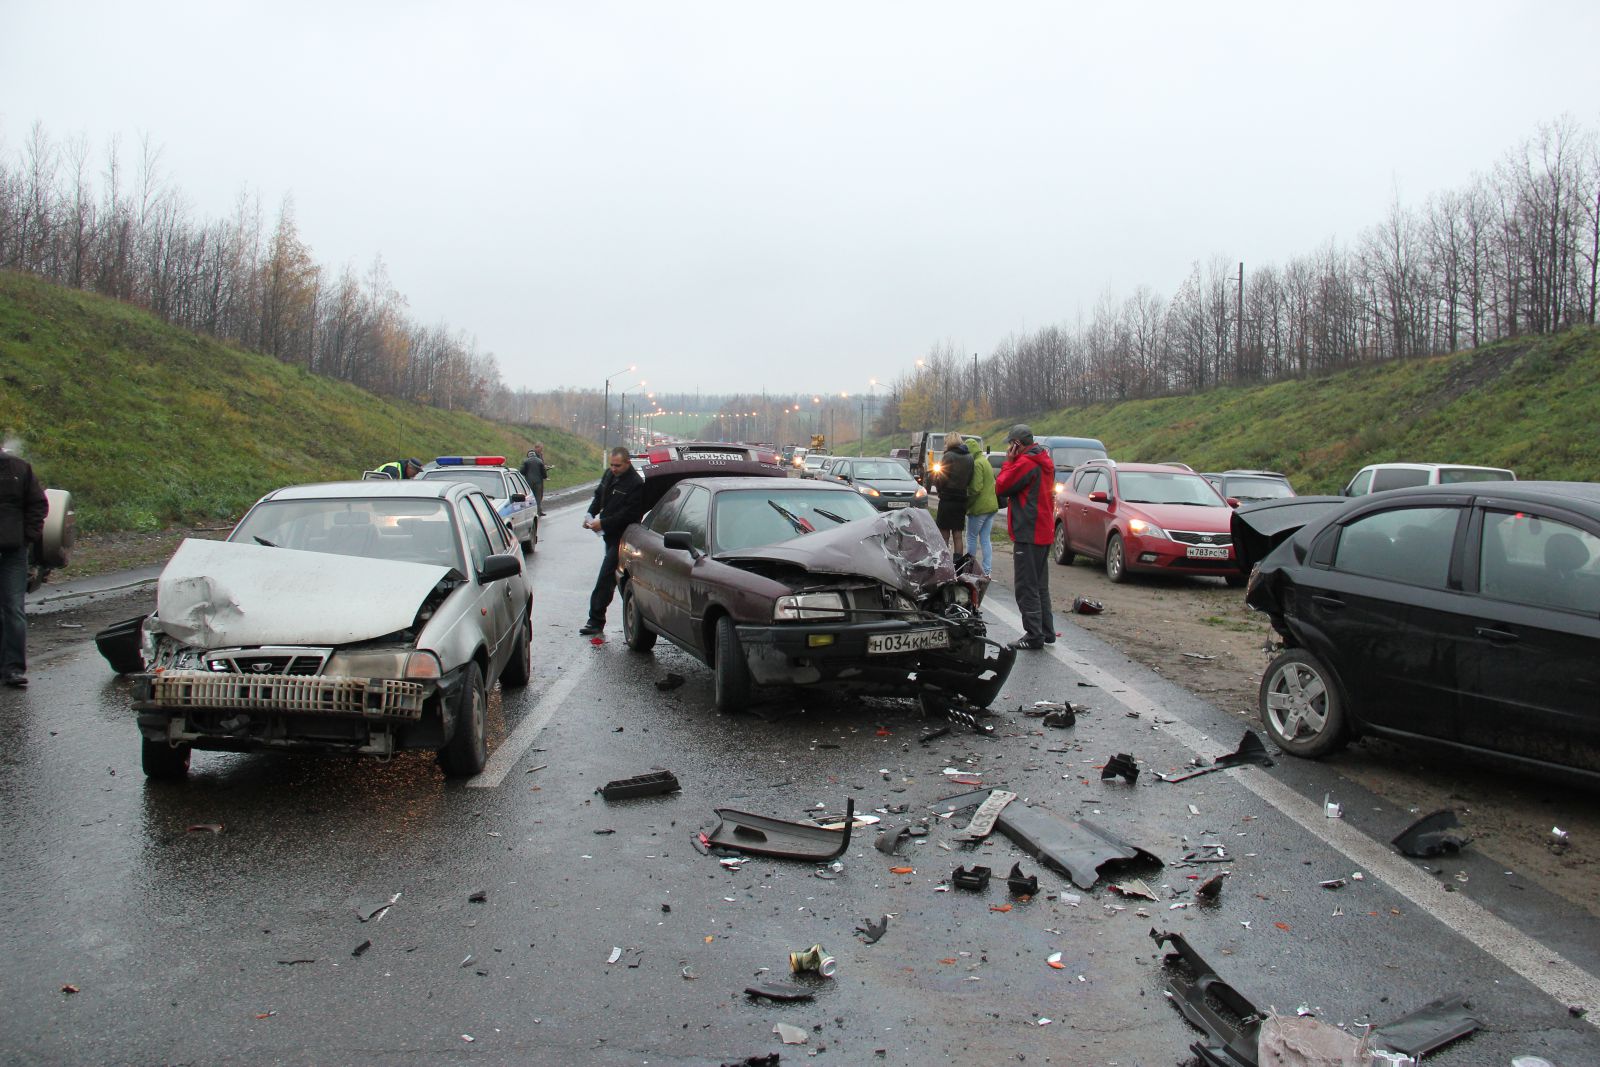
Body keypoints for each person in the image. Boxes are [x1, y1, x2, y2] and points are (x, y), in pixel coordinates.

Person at [993, 424, 1056, 650]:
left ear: (1018, 444)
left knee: (1026, 586)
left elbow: (1001, 486)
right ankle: (1046, 631)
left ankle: (1033, 635)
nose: (1009, 449)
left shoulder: (1025, 463)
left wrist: (1009, 462)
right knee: (1040, 585)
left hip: (1028, 530)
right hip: (1042, 529)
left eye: (1011, 444)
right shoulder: (1043, 460)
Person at [579, 447, 646, 636]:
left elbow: (630, 515)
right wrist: (590, 515)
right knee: (615, 579)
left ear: (627, 463)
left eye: (618, 466)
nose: (614, 469)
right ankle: (636, 612)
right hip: (608, 536)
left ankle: (595, 620)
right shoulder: (609, 474)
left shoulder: (635, 484)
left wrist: (603, 523)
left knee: (605, 577)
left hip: (622, 537)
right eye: (612, 465)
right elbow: (599, 495)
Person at [0, 443, 48, 688]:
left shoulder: (20, 468)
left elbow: (39, 503)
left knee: (13, 608)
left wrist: (26, 537)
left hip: (12, 552)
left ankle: (15, 669)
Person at [933, 432, 973, 558]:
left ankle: (944, 562)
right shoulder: (969, 457)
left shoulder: (948, 456)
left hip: (947, 499)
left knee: (944, 533)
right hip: (961, 500)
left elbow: (942, 478)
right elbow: (970, 478)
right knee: (957, 534)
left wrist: (938, 485)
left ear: (949, 442)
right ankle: (958, 564)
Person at [964, 439, 998, 576]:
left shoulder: (977, 464)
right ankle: (987, 571)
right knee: (985, 539)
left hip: (979, 508)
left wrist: (966, 498)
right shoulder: (985, 461)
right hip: (991, 507)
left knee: (971, 537)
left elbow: (976, 488)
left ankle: (970, 569)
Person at [520, 444, 551, 516]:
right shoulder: (539, 461)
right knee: (538, 496)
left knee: (529, 496)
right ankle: (538, 511)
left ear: (528, 455)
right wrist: (545, 477)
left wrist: (526, 474)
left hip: (528, 482)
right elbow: (543, 471)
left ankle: (530, 512)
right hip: (538, 482)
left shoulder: (526, 461)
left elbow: (521, 471)